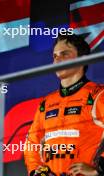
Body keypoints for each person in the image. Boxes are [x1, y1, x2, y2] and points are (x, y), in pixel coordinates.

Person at [24, 33, 104, 176]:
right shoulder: (46, 102)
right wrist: (37, 172)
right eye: (55, 56)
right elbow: (32, 143)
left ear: (82, 59)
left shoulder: (98, 94)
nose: (57, 60)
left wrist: (98, 170)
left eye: (64, 54)